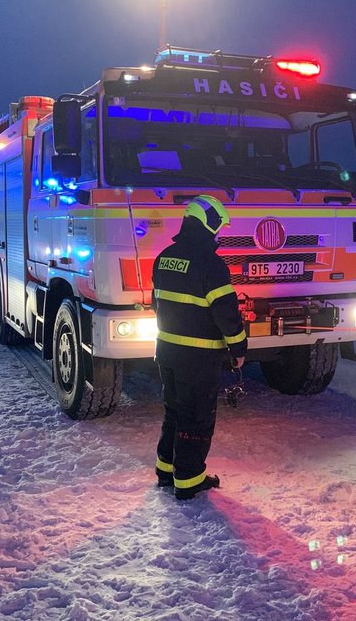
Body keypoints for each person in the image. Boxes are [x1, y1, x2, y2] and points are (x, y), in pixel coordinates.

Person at [152, 195, 247, 500]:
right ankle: (189, 480)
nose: (218, 234)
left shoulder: (164, 257)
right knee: (197, 418)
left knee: (174, 412)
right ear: (207, 222)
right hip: (199, 357)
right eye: (218, 227)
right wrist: (239, 347)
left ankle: (166, 470)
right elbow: (226, 314)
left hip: (166, 351)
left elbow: (157, 304)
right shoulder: (211, 264)